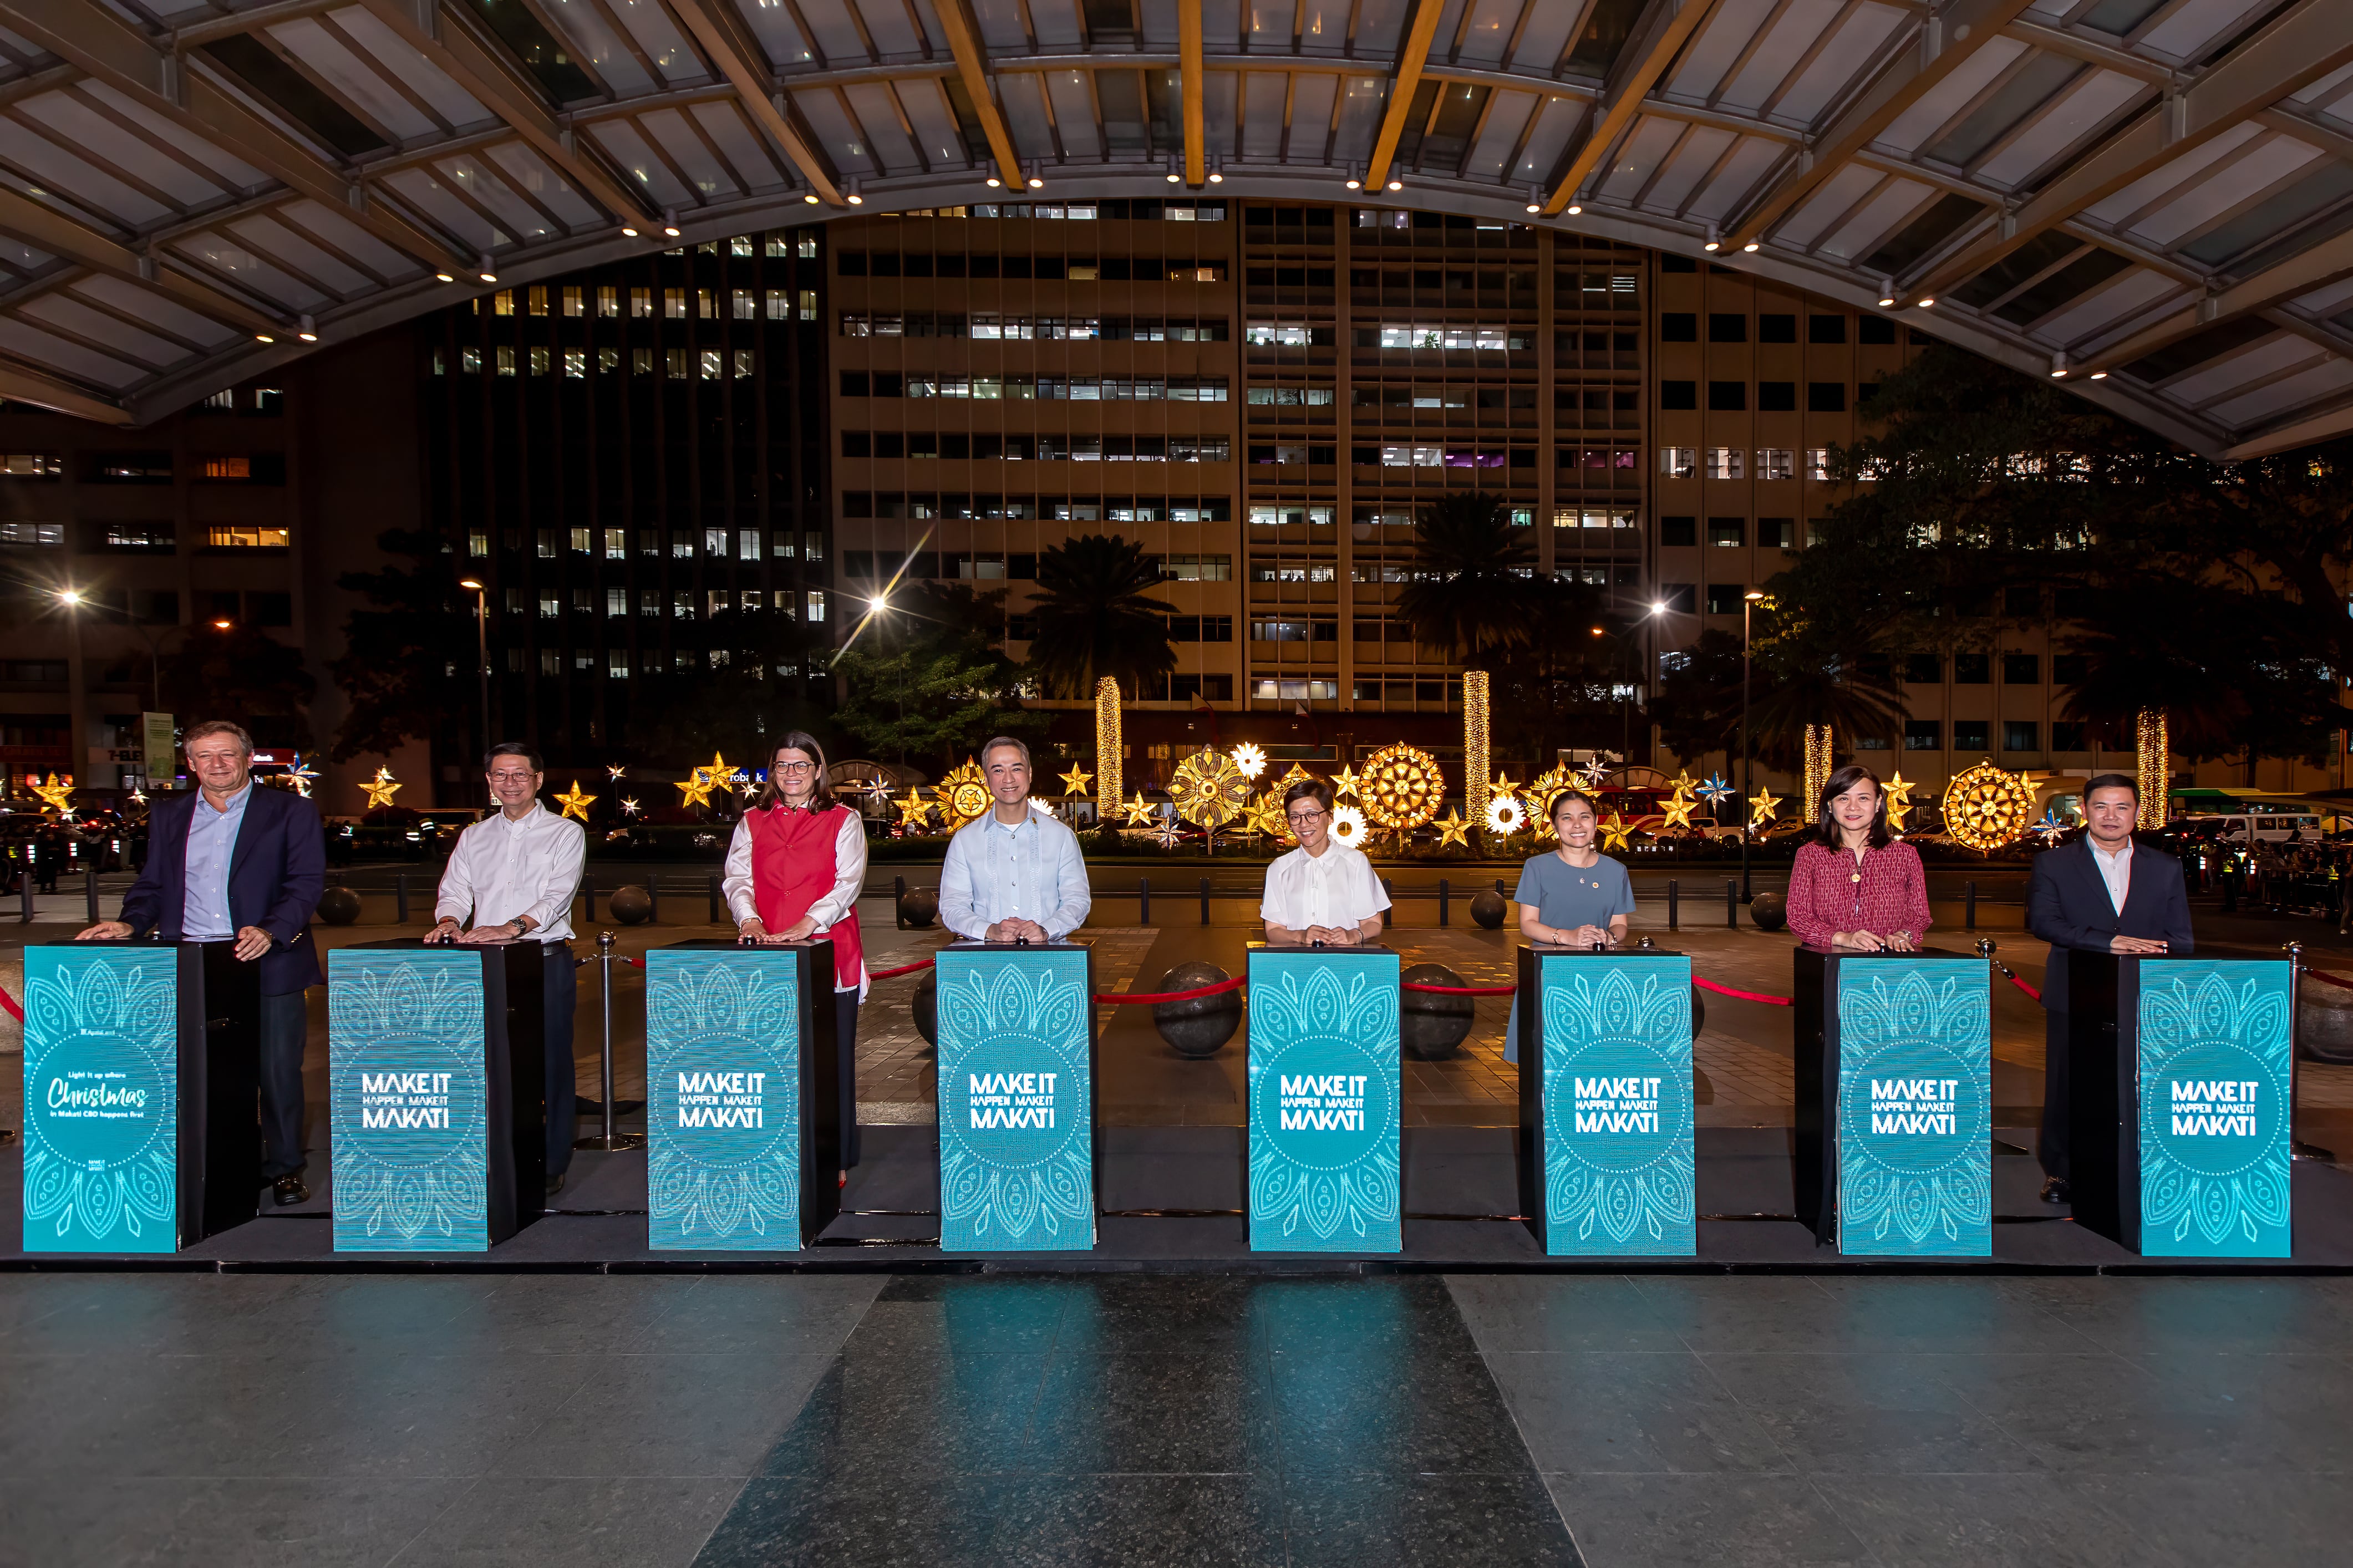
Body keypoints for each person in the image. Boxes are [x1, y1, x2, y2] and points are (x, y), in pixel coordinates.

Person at [78, 720, 325, 1206]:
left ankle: (284, 1167)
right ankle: (220, 1163)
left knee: (276, 1072)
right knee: (203, 1073)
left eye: (228, 754)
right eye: (206, 756)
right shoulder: (169, 816)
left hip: (264, 957)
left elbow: (305, 882)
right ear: (190, 764)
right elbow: (153, 885)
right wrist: (130, 924)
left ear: (248, 758)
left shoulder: (289, 811)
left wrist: (271, 930)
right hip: (193, 962)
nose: (218, 764)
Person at [427, 742, 588, 1197]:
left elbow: (557, 896)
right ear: (490, 782)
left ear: (538, 780)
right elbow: (455, 889)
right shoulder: (475, 836)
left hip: (542, 959)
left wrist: (511, 927)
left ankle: (553, 1159)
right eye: (501, 775)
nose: (510, 783)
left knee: (551, 1063)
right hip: (485, 963)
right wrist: (448, 922)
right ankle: (493, 1153)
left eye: (520, 774)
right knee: (487, 1063)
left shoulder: (565, 833)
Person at [2027, 772, 2193, 1204]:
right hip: (2074, 991)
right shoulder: (2055, 863)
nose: (2110, 816)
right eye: (2100, 806)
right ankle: (2061, 1172)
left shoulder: (2165, 867)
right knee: (2068, 1085)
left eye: (2121, 807)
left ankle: (2139, 1166)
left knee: (2139, 1085)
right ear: (2084, 811)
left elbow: (2181, 938)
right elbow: (2043, 923)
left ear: (2137, 813)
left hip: (2146, 996)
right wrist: (2106, 942)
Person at [722, 731, 869, 1168]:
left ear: (818, 771)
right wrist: (748, 919)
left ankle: (834, 1156)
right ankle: (777, 1151)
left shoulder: (845, 819)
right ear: (773, 773)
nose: (791, 773)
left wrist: (807, 924)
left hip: (830, 951)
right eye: (783, 765)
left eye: (801, 765)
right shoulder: (751, 820)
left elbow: (848, 883)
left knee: (830, 1060)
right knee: (772, 1056)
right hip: (768, 952)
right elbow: (737, 879)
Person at [1505, 788, 1637, 1063]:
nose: (1577, 825)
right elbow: (1527, 924)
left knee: (1594, 1063)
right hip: (1548, 976)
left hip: (1599, 979)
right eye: (1567, 818)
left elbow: (1620, 925)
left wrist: (1608, 936)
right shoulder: (1537, 867)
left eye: (1584, 817)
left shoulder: (1616, 871)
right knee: (1544, 1066)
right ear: (1554, 825)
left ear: (1596, 821)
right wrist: (1568, 937)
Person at [938, 735, 1091, 944]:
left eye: (1016, 769)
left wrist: (1046, 930)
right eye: (998, 770)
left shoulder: (1061, 836)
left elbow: (1077, 900)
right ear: (986, 778)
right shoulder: (965, 841)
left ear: (1029, 774)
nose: (1008, 779)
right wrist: (989, 930)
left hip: (1049, 960)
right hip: (986, 964)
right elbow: (952, 907)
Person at [1785, 764, 1930, 952]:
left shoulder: (1905, 855)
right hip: (1826, 964)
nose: (1853, 807)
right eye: (1843, 798)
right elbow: (1798, 917)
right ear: (1830, 805)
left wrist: (1904, 934)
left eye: (1863, 798)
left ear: (1878, 803)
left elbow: (1920, 916)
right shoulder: (1811, 855)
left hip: (1886, 965)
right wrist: (1842, 938)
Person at [1261, 778, 1389, 946]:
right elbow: (1273, 931)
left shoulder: (1355, 862)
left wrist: (1354, 935)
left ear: (1330, 816)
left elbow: (1373, 924)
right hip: (1296, 967)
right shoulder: (1279, 868)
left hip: (1345, 965)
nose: (1304, 824)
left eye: (1312, 815)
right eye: (1295, 817)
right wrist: (1300, 935)